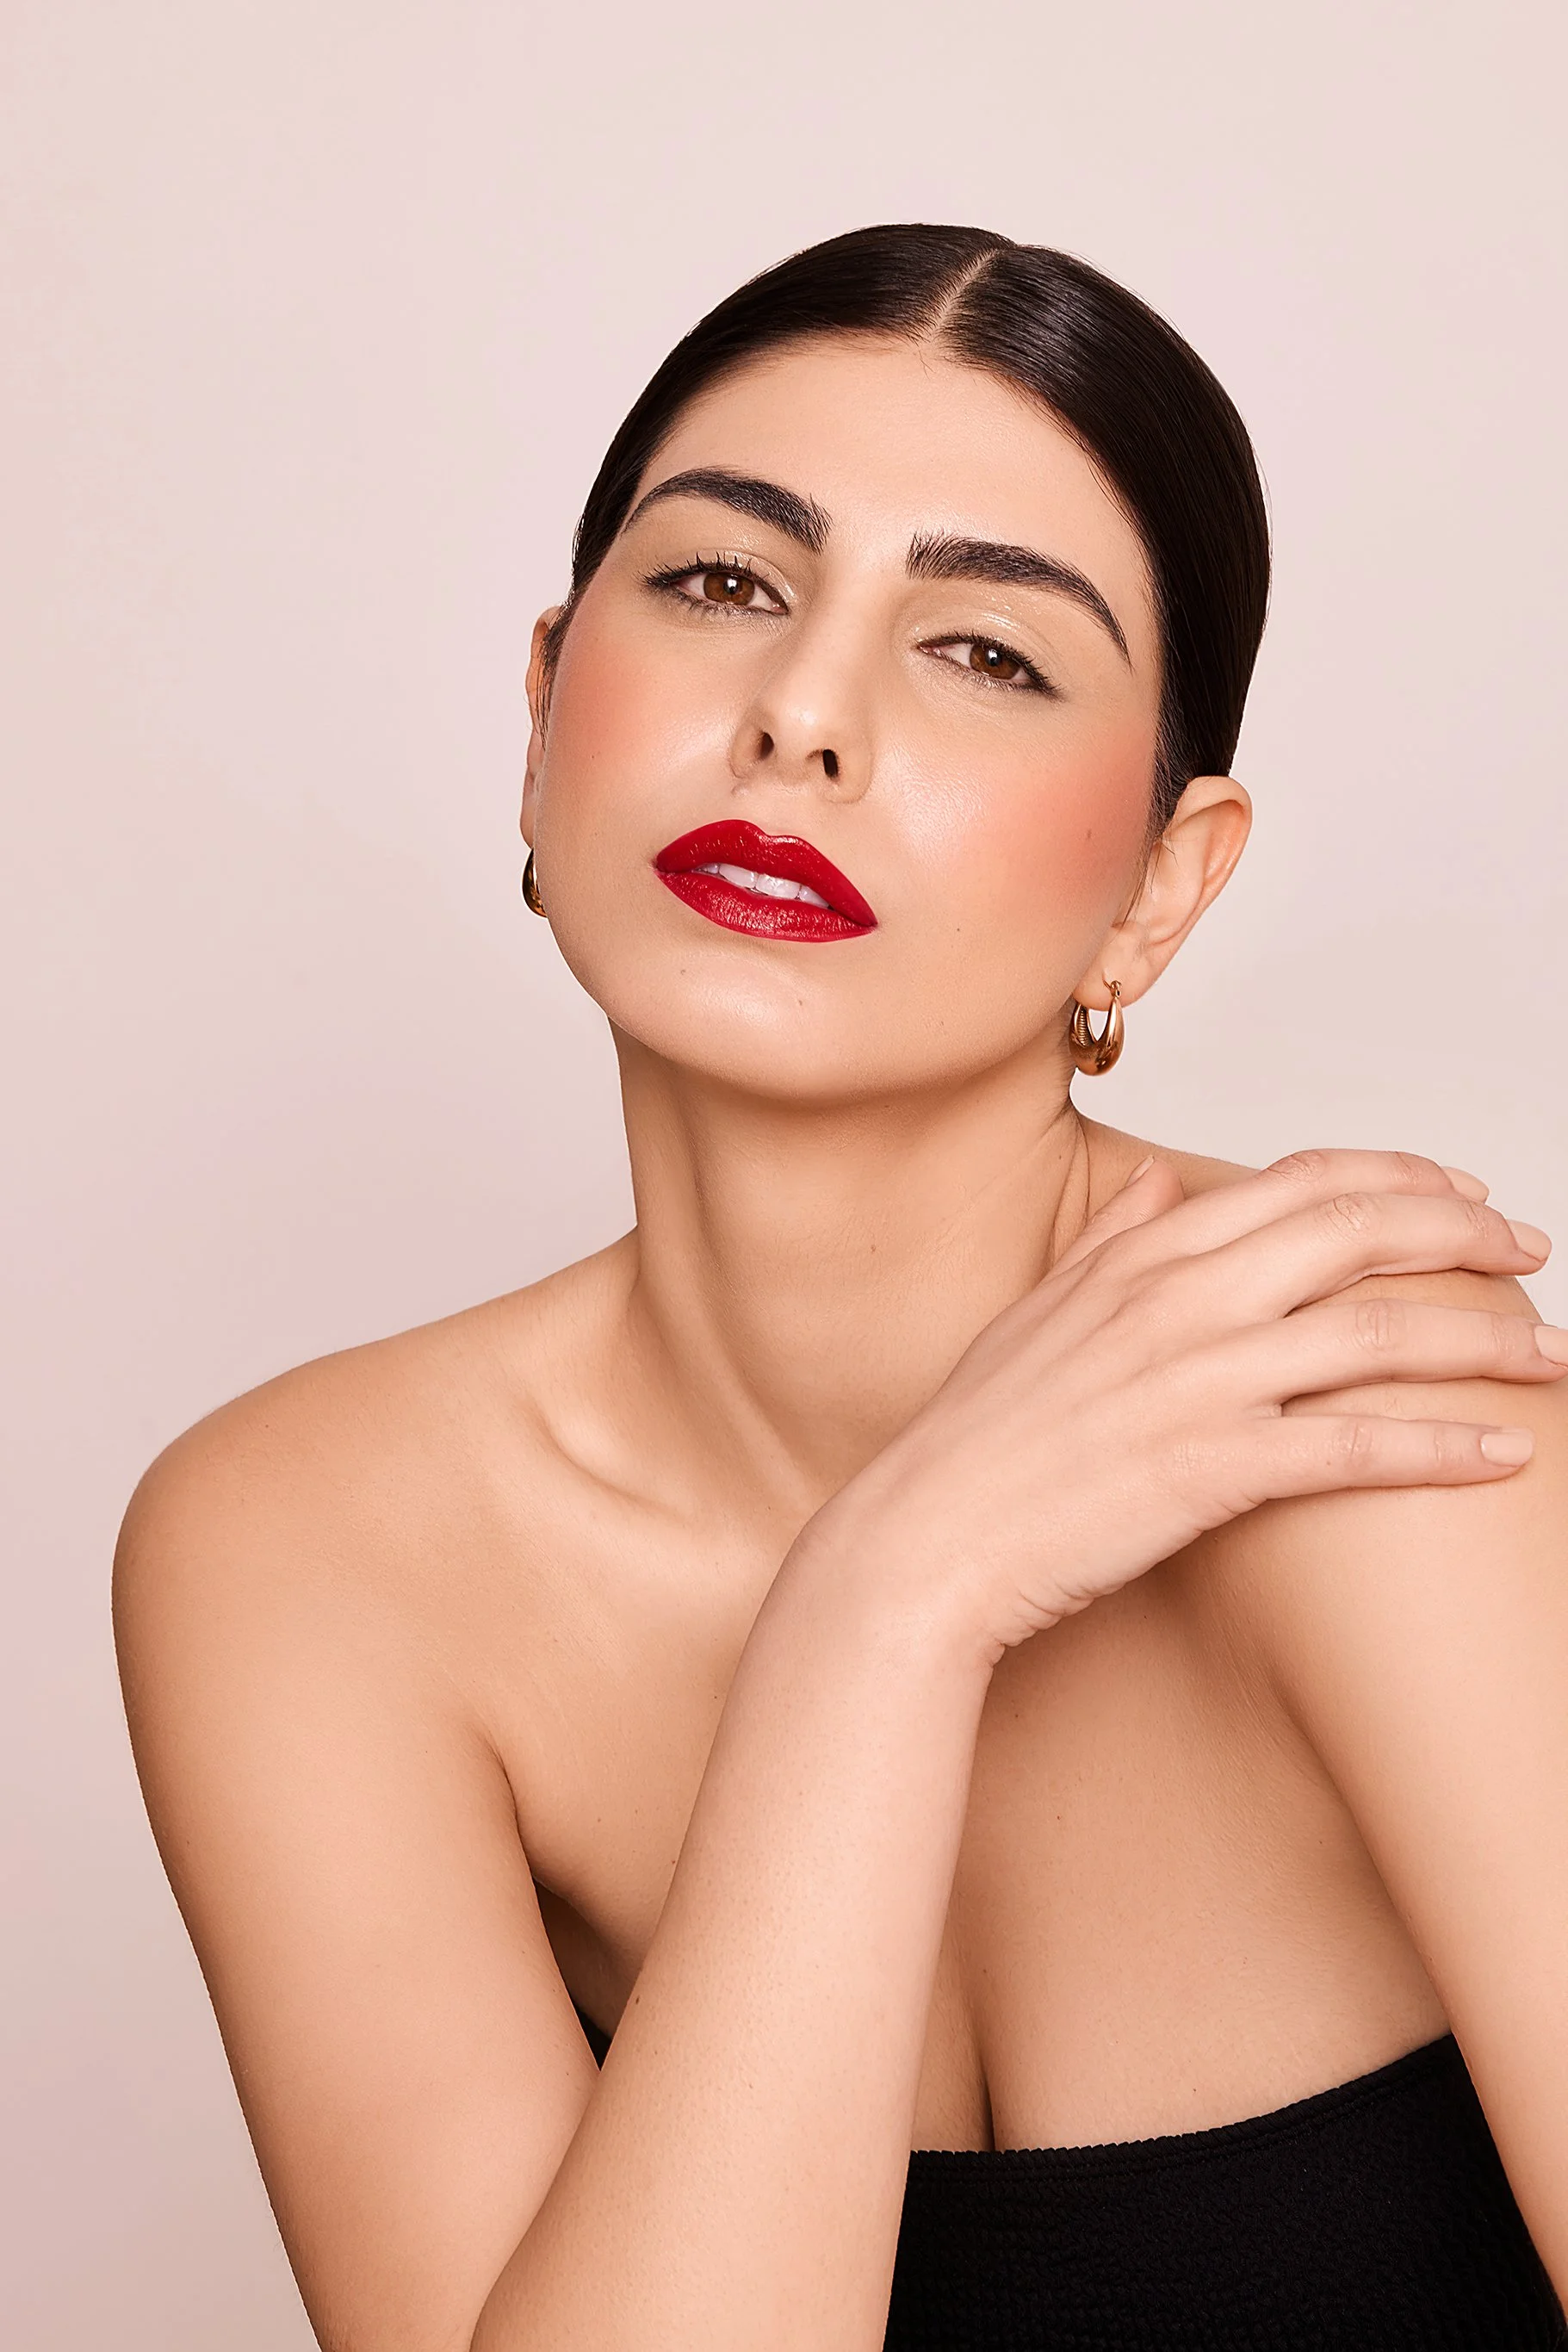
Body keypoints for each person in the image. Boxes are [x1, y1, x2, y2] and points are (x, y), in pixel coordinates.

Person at [113, 226, 1568, 2351]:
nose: (800, 715)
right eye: (723, 585)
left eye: (986, 651)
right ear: (542, 713)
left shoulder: (1375, 1418)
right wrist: (886, 1608)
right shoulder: (300, 1548)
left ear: (1161, 887)